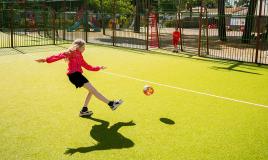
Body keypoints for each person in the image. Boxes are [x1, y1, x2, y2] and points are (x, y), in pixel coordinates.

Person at [35, 39, 123, 117]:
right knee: (94, 90)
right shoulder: (72, 52)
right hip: (74, 75)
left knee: (91, 91)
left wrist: (98, 67)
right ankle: (111, 104)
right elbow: (59, 56)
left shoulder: (80, 55)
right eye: (83, 47)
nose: (84, 49)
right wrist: (46, 60)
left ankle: (84, 110)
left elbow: (87, 66)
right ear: (78, 47)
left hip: (77, 75)